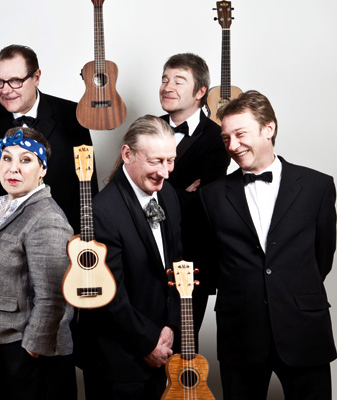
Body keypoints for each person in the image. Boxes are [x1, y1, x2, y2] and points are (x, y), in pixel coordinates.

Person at [200, 90, 336, 399]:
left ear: (268, 129)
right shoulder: (211, 196)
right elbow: (211, 261)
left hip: (303, 328)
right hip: (240, 332)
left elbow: (322, 257)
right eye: (226, 138)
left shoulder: (317, 186)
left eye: (240, 134)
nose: (232, 146)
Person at [74, 115, 182, 399]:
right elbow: (109, 296)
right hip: (116, 361)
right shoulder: (101, 211)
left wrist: (171, 326)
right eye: (156, 161)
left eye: (170, 160)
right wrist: (149, 343)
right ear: (127, 154)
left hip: (163, 346)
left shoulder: (168, 194)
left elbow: (176, 267)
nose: (165, 172)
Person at [0, 127, 75, 400]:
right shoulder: (11, 206)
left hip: (23, 353)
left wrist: (30, 352)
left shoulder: (47, 218)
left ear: (43, 169)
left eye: (25, 160)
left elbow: (52, 298)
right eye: (7, 158)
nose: (13, 168)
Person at [0, 44, 97, 233]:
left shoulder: (73, 115)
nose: (5, 90)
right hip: (1, 234)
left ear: (36, 77)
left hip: (62, 232)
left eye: (15, 81)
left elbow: (87, 186)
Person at [158, 53, 230, 343]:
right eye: (164, 79)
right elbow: (127, 188)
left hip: (192, 257)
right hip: (147, 252)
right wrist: (180, 193)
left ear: (201, 92)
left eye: (178, 81)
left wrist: (156, 190)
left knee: (183, 343)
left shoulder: (217, 138)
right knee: (145, 344)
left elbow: (205, 203)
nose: (167, 87)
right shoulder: (148, 127)